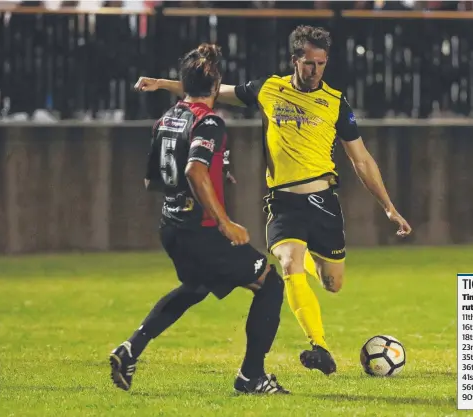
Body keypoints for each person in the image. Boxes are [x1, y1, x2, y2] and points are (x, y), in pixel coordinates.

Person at [134, 25, 412, 376]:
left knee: (333, 284)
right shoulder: (269, 89)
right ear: (295, 59)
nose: (315, 71)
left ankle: (312, 264)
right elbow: (214, 91)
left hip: (323, 202)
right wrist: (162, 83)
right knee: (287, 263)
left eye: (322, 63)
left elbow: (362, 159)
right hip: (282, 203)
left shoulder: (336, 103)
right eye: (309, 63)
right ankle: (320, 347)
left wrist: (388, 206)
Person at [110, 43, 289, 395]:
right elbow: (194, 169)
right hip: (203, 232)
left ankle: (131, 348)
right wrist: (224, 221)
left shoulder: (168, 118)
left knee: (196, 288)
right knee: (270, 284)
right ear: (216, 83)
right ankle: (251, 376)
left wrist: (217, 173)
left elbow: (153, 180)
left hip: (172, 227)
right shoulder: (208, 122)